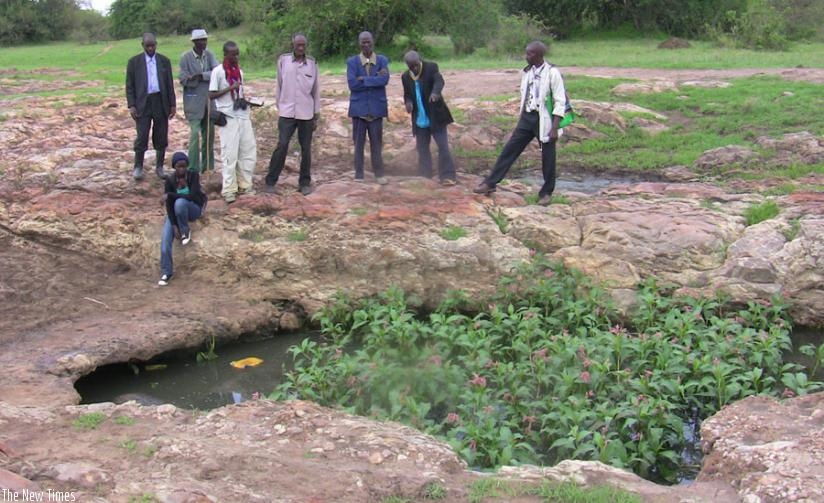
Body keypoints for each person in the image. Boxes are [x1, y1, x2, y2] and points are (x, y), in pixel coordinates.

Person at [473, 40, 567, 205]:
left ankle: (546, 193)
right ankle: (490, 183)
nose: (526, 56)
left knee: (548, 156)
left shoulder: (553, 73)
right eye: (526, 53)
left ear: (539, 55)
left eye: (530, 53)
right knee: (510, 149)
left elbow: (560, 101)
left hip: (544, 119)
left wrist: (555, 127)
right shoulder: (527, 72)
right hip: (527, 117)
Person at [264, 33, 320, 196]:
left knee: (306, 148)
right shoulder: (283, 61)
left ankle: (304, 183)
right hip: (287, 112)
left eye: (303, 45)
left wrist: (316, 114)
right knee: (282, 145)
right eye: (298, 45)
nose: (301, 48)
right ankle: (270, 181)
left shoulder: (312, 63)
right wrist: (280, 107)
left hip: (306, 113)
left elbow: (316, 90)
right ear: (293, 45)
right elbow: (278, 86)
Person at [209, 41, 257, 204]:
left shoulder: (239, 71)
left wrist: (246, 101)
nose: (236, 57)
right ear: (225, 54)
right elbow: (211, 95)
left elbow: (240, 91)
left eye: (237, 54)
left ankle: (245, 184)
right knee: (230, 154)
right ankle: (229, 188)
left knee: (247, 150)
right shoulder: (218, 72)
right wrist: (230, 88)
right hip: (227, 115)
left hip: (242, 114)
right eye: (233, 54)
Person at [401, 51, 457, 186]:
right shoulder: (405, 77)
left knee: (443, 147)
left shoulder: (431, 67)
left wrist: (435, 92)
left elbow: (439, 81)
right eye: (410, 67)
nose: (414, 69)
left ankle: (447, 176)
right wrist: (408, 103)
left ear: (420, 60)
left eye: (415, 65)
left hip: (435, 116)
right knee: (422, 149)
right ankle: (425, 175)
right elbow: (407, 94)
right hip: (420, 119)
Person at [126, 32, 176, 181]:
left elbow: (169, 84)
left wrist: (172, 104)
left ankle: (159, 167)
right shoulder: (134, 62)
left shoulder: (164, 61)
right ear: (142, 45)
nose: (150, 48)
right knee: (142, 136)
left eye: (152, 45)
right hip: (143, 103)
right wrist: (132, 105)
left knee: (161, 135)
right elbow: (129, 86)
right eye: (147, 46)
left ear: (156, 44)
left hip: (160, 101)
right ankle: (138, 167)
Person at [346, 31, 389, 184]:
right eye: (363, 42)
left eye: (368, 42)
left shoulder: (382, 60)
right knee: (358, 144)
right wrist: (374, 79)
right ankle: (359, 174)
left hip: (377, 109)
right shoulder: (352, 62)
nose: (366, 45)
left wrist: (363, 79)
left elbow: (384, 80)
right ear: (359, 43)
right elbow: (352, 84)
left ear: (373, 42)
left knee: (377, 144)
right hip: (359, 110)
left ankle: (379, 174)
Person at [159, 152, 207, 286]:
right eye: (179, 167)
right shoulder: (170, 180)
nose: (182, 170)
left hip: (192, 209)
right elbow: (169, 206)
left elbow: (192, 196)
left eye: (184, 166)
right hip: (175, 212)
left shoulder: (193, 176)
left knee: (180, 203)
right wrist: (174, 226)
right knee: (165, 241)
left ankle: (186, 230)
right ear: (174, 167)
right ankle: (166, 272)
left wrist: (170, 195)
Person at [179, 28, 219, 173]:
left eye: (205, 40)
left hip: (209, 99)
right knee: (195, 134)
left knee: (209, 134)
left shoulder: (210, 55)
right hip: (193, 101)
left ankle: (208, 167)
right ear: (194, 42)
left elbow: (217, 72)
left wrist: (201, 76)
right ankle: (192, 168)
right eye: (201, 40)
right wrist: (193, 79)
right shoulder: (186, 57)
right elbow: (182, 78)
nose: (204, 43)